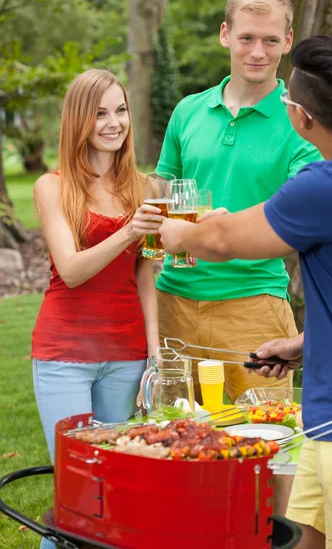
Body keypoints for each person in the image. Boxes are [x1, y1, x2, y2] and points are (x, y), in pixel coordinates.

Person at [159, 35, 332, 549]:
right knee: (303, 538)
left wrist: (178, 233)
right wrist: (302, 345)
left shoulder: (329, 184)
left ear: (302, 118)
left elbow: (224, 239)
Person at [155, 0, 322, 405]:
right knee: (175, 436)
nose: (257, 52)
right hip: (172, 300)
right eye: (246, 37)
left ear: (287, 42)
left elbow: (300, 213)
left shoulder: (302, 122)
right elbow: (161, 191)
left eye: (270, 40)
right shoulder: (188, 110)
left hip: (254, 304)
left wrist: (232, 227)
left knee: (266, 444)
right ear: (225, 34)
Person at [32, 69, 163, 549]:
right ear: (78, 121)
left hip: (126, 355)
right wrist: (129, 232)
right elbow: (70, 270)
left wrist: (153, 350)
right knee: (80, 491)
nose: (114, 123)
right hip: (65, 354)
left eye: (121, 110)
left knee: (115, 491)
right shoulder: (54, 187)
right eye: (100, 112)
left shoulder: (145, 188)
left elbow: (146, 273)